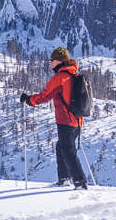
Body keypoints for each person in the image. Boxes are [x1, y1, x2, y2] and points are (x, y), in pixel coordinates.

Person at [20, 46, 88, 190]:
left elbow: (45, 96)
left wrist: (29, 100)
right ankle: (64, 179)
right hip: (77, 120)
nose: (50, 63)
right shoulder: (73, 74)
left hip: (66, 120)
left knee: (68, 149)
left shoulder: (60, 78)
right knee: (61, 147)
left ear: (59, 61)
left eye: (53, 60)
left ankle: (80, 182)